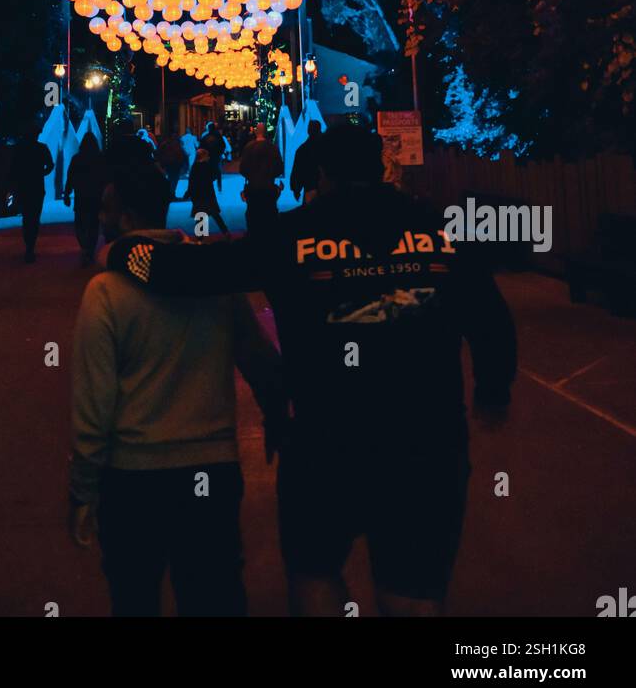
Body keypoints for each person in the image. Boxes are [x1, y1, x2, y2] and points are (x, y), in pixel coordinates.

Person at [107, 120, 517, 618]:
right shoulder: (440, 231)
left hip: (328, 438)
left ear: (322, 173)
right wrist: (494, 390)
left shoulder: (290, 236)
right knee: (412, 589)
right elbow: (490, 317)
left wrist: (131, 251)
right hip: (427, 441)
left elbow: (193, 275)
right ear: (381, 169)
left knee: (315, 572)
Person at [70, 164, 286, 618]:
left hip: (133, 476)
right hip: (211, 467)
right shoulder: (210, 276)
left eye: (107, 209)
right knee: (214, 595)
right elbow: (260, 359)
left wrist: (84, 488)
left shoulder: (106, 292)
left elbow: (94, 406)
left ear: (123, 216)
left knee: (135, 597)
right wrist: (276, 417)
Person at [10, 123, 53, 263]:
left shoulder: (19, 149)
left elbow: (13, 168)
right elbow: (50, 165)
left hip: (23, 187)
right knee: (34, 218)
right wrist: (41, 173)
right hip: (37, 187)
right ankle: (30, 246)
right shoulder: (41, 148)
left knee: (26, 217)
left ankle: (28, 245)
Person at [64, 132, 106, 266]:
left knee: (80, 223)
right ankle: (90, 250)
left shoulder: (77, 158)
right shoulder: (100, 158)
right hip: (96, 195)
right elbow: (105, 177)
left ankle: (84, 247)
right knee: (94, 224)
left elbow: (70, 177)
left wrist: (67, 193)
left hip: (81, 195)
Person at [240, 123, 284, 233]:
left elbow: (242, 169)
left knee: (253, 216)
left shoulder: (248, 147)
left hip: (253, 188)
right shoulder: (273, 148)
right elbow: (279, 168)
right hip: (268, 187)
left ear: (256, 132)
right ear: (266, 132)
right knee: (270, 216)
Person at [187, 146, 230, 238]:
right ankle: (225, 231)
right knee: (214, 213)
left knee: (200, 214)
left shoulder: (195, 167)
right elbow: (214, 176)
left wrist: (189, 192)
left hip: (198, 195)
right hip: (208, 193)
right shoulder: (207, 166)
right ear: (204, 157)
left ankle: (200, 236)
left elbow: (191, 181)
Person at [290, 119, 325, 204]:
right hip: (325, 188)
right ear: (319, 129)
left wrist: (296, 189)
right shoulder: (327, 147)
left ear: (308, 131)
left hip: (309, 188)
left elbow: (297, 170)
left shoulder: (302, 149)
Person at [155, 131, 187, 201]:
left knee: (170, 178)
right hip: (175, 164)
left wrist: (161, 163)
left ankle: (169, 193)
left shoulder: (164, 144)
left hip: (168, 164)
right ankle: (172, 194)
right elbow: (182, 154)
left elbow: (159, 153)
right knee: (174, 179)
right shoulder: (177, 144)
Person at [200, 121, 226, 188]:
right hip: (216, 156)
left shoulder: (205, 137)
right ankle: (219, 185)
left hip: (208, 156)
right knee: (217, 170)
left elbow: (201, 147)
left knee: (208, 170)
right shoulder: (218, 137)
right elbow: (223, 146)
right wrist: (220, 153)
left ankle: (209, 184)